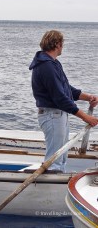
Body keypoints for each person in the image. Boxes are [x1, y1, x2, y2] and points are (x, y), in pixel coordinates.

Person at [29, 30, 98, 172]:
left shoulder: (53, 64)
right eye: (62, 44)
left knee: (61, 159)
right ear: (57, 44)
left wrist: (88, 97)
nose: (63, 47)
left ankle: (57, 188)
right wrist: (85, 117)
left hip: (58, 115)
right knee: (55, 162)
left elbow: (66, 89)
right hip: (52, 115)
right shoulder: (46, 66)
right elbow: (60, 98)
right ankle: (49, 190)